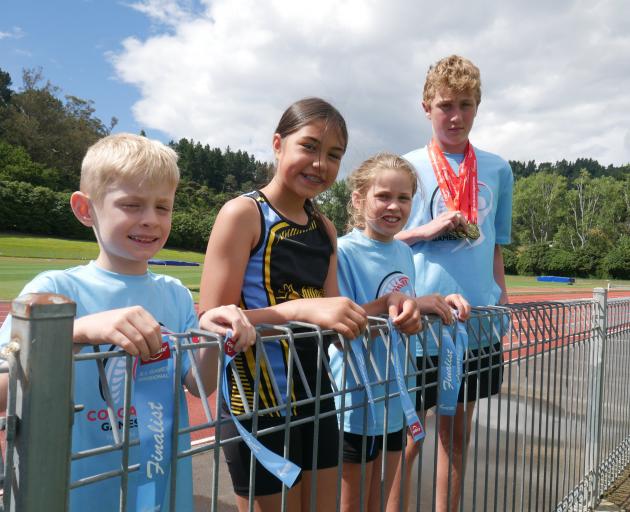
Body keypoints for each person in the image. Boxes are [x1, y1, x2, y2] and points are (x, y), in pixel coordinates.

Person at [0, 133, 256, 511]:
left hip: (161, 486)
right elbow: (5, 389)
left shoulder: (175, 294)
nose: (150, 220)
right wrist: (78, 331)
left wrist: (215, 335)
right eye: (131, 205)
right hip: (74, 492)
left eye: (163, 207)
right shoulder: (54, 290)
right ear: (86, 209)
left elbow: (198, 384)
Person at [199, 97, 369, 512]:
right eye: (308, 146)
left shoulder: (325, 228)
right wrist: (297, 312)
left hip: (316, 397)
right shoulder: (243, 214)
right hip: (255, 404)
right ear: (278, 144)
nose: (320, 164)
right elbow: (212, 320)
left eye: (334, 155)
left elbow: (329, 312)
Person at [396, 55, 514, 512]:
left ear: (478, 107)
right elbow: (379, 239)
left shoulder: (498, 169)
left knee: (456, 436)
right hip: (418, 325)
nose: (456, 116)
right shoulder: (405, 166)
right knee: (405, 438)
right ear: (426, 106)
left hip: (476, 323)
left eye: (466, 105)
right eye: (446, 104)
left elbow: (497, 245)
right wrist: (424, 230)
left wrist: (502, 301)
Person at [329, 152, 469, 512]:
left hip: (396, 396)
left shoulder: (403, 253)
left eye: (403, 198)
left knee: (383, 495)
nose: (394, 206)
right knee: (352, 501)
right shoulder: (343, 252)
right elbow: (344, 322)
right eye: (383, 196)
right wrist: (401, 303)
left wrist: (432, 305)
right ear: (359, 199)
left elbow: (407, 310)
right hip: (355, 400)